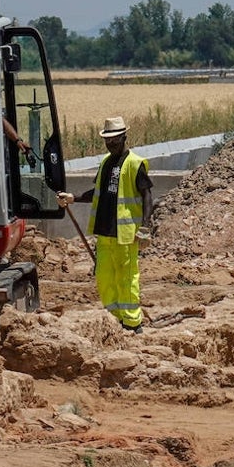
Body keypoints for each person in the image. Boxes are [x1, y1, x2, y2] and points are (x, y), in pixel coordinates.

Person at [57, 116, 153, 333]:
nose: (111, 144)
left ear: (124, 138)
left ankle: (132, 322)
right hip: (105, 232)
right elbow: (98, 193)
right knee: (104, 278)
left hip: (126, 234)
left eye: (115, 139)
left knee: (127, 278)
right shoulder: (105, 163)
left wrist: (145, 227)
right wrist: (73, 197)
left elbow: (147, 196)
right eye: (108, 140)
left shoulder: (134, 164)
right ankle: (114, 318)